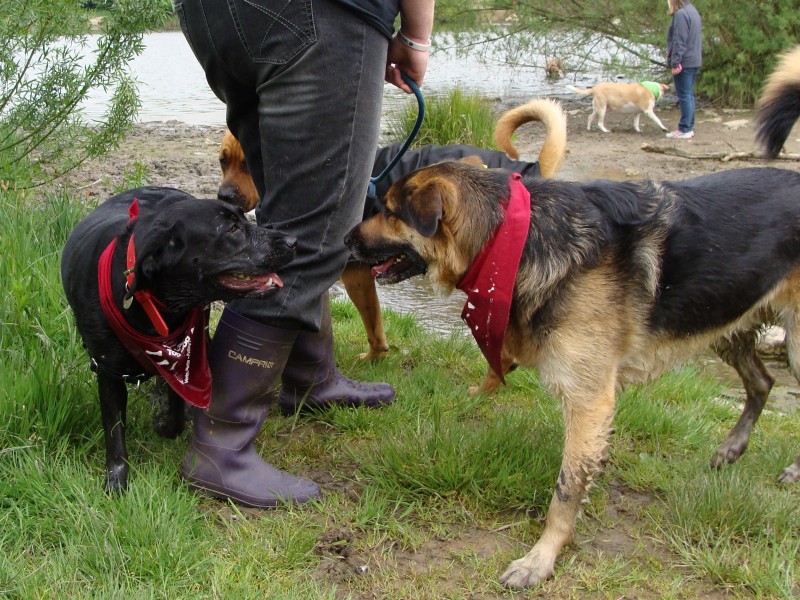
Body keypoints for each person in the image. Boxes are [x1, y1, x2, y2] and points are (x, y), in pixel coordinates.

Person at [173, 0, 435, 508]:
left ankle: (308, 377)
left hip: (211, 16)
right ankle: (220, 443)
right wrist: (417, 37)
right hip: (321, 14)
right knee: (316, 230)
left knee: (286, 214)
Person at [665, 0, 702, 139]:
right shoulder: (693, 10)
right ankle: (688, 127)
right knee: (688, 94)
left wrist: (675, 62)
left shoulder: (681, 14)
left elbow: (679, 40)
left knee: (684, 95)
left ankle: (685, 128)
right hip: (694, 59)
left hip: (684, 61)